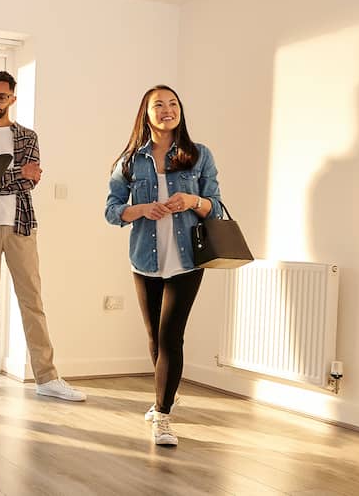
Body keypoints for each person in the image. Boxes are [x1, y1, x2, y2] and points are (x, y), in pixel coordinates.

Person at [104, 84, 224, 446]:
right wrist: (141, 209)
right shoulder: (129, 162)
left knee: (172, 335)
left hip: (187, 259)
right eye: (159, 105)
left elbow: (215, 207)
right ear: (147, 113)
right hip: (145, 259)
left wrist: (192, 200)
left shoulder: (199, 155)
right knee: (156, 338)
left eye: (173, 104)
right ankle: (163, 397)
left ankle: (162, 414)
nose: (168, 109)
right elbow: (111, 211)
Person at [0, 71, 86, 403]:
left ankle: (46, 377)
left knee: (32, 302)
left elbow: (30, 181)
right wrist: (11, 174)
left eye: (0, 96)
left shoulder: (27, 137)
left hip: (20, 225)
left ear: (13, 98)